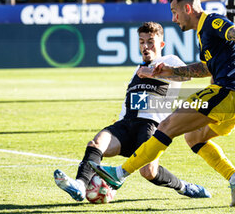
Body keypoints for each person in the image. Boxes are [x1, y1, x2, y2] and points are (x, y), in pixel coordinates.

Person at [89, 0, 235, 207]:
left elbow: (234, 31)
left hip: (229, 92)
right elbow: (205, 69)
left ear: (188, 8)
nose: (173, 18)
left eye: (175, 12)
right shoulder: (203, 35)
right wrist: (170, 72)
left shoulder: (211, 21)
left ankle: (119, 173)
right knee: (193, 137)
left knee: (167, 125)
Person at [54, 22, 211, 202]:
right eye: (142, 42)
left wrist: (153, 73)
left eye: (151, 42)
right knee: (96, 144)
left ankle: (185, 187)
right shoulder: (137, 70)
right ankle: (80, 186)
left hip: (150, 127)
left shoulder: (170, 61)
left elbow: (187, 75)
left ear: (161, 45)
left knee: (149, 171)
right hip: (125, 125)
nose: (145, 46)